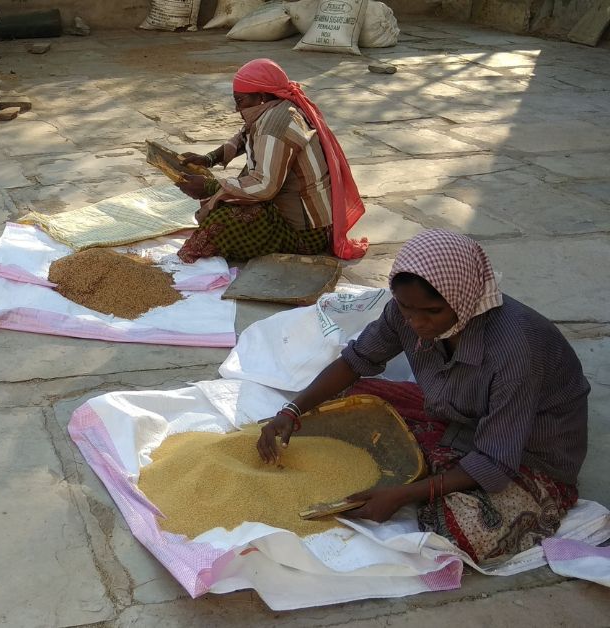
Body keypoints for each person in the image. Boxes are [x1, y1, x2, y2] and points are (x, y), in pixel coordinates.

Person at [255, 229, 589, 564]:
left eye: (431, 312)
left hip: (529, 455)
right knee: (350, 396)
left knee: (463, 530)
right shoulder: (405, 312)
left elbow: (495, 461)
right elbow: (356, 361)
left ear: (463, 298)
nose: (416, 322)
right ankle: (437, 461)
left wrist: (403, 494)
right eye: (405, 308)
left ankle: (437, 471)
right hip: (464, 419)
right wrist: (290, 411)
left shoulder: (515, 349)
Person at [174, 58, 368, 263]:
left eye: (240, 101)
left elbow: (264, 185)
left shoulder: (276, 126)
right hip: (299, 217)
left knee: (224, 219)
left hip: (306, 233)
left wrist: (210, 186)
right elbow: (244, 136)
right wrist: (209, 159)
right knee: (228, 198)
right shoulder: (278, 108)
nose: (237, 109)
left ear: (262, 97)